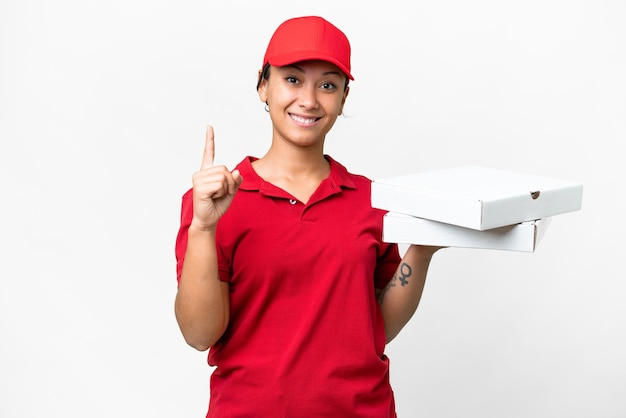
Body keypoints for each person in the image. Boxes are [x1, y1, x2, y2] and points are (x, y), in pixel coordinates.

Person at [174, 15, 441, 417]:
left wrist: (420, 252)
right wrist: (204, 227)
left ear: (344, 98)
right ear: (263, 85)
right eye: (293, 80)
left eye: (328, 85)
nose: (310, 100)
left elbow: (378, 327)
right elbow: (199, 334)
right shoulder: (213, 200)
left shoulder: (370, 198)